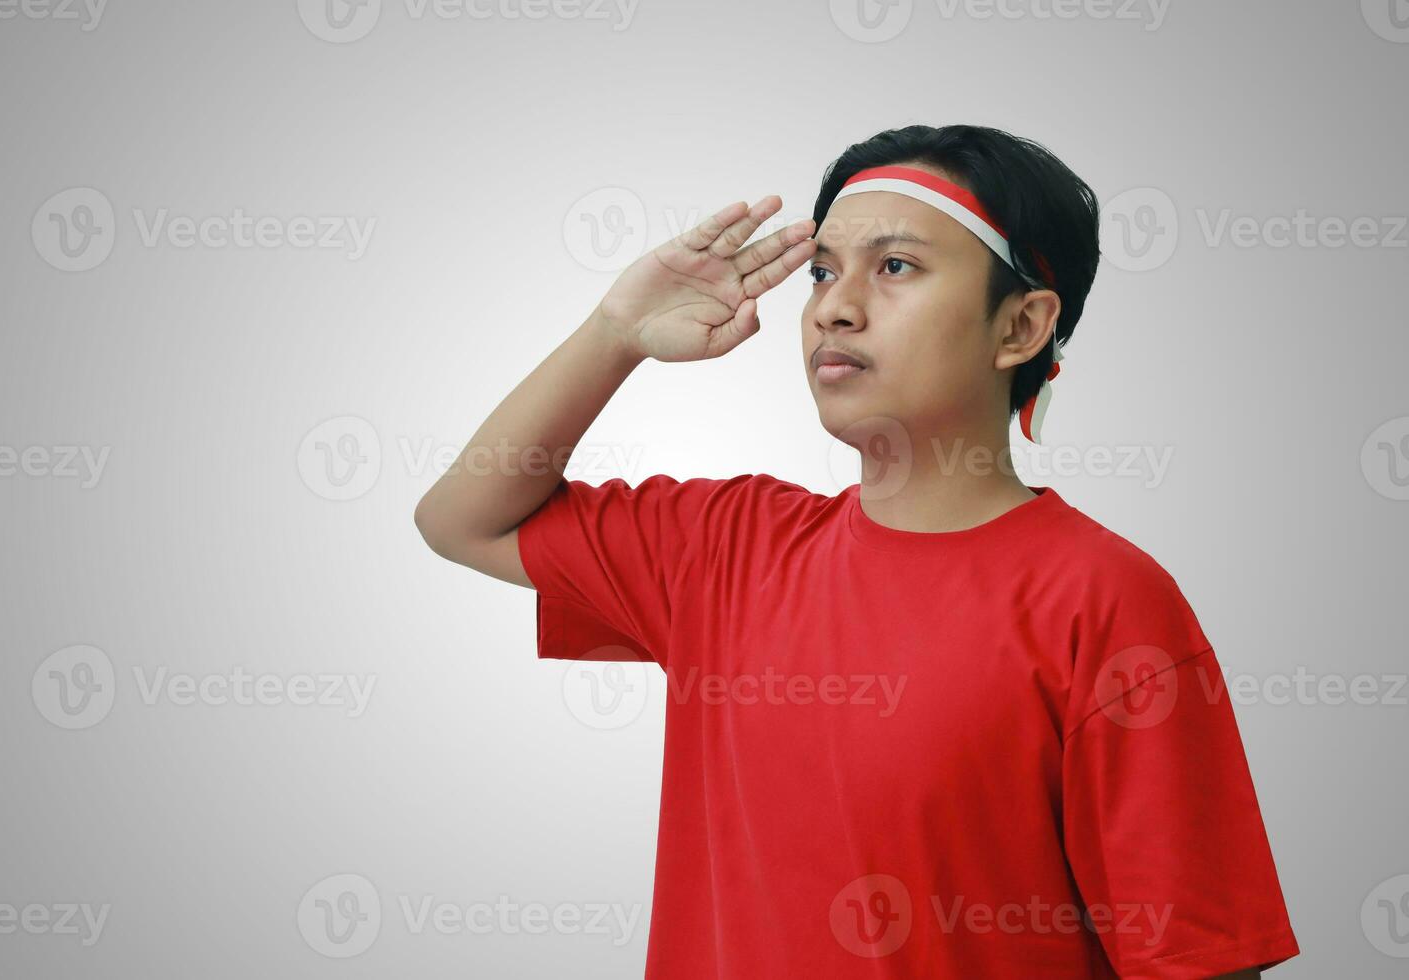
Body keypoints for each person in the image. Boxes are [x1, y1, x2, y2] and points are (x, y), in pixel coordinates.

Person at [414, 123, 1301, 979]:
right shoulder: (724, 549)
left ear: (1021, 327)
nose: (834, 307)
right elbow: (464, 519)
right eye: (824, 272)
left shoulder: (1105, 601)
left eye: (896, 267)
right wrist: (614, 334)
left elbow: (1192, 961)